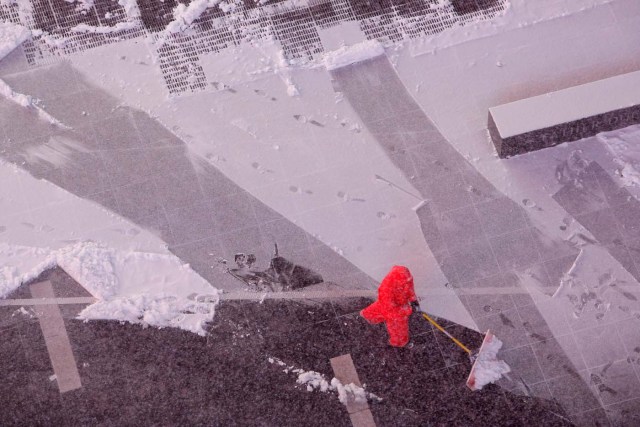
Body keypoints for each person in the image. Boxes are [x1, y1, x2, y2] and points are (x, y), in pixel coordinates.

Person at [360, 265, 419, 347]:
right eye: (405, 282)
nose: (407, 283)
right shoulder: (386, 290)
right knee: (399, 328)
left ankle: (368, 315)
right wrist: (408, 310)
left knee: (378, 309)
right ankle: (399, 342)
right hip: (394, 310)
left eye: (409, 280)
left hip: (395, 305)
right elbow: (392, 311)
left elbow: (409, 288)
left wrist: (413, 299)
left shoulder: (405, 279)